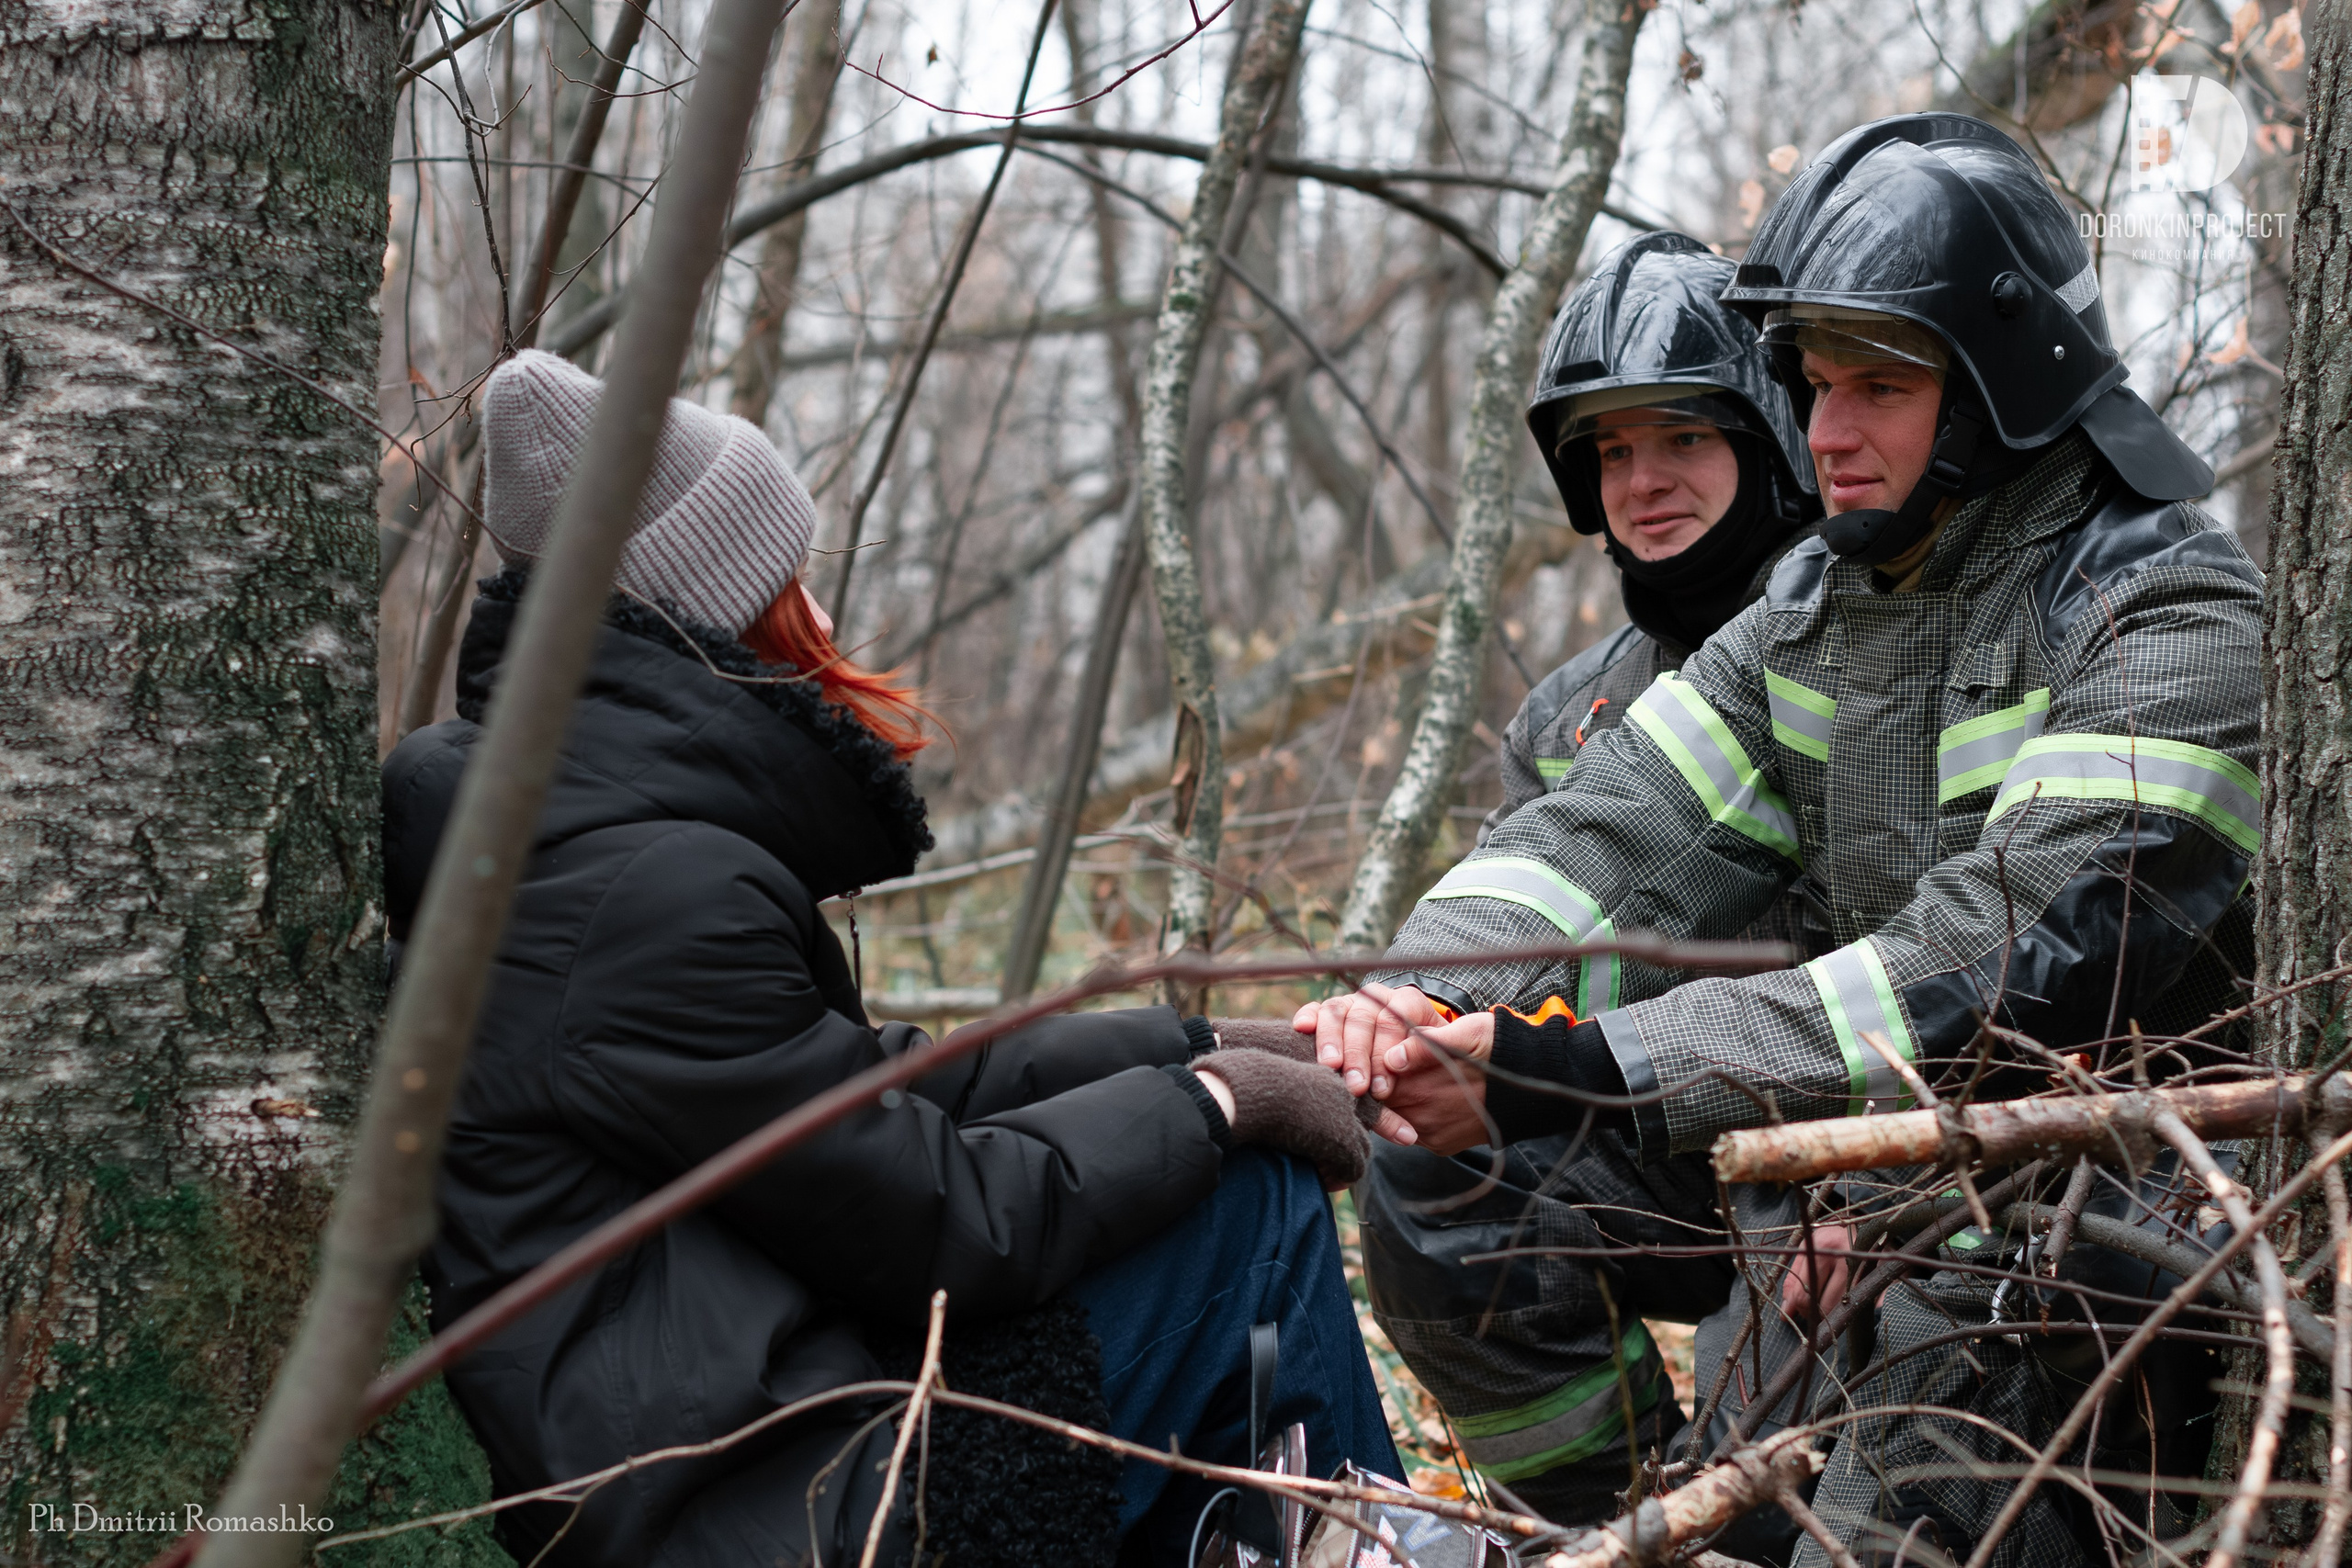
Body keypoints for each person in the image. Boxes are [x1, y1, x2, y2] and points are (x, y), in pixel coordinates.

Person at [1306, 114, 2256, 1564]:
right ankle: (1646, 1528)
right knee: (1471, 1191)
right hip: (1854, 1170)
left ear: (2002, 384)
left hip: (2074, 1218)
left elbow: (2004, 965)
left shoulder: (2167, 608)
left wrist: (1581, 1068)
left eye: (1878, 386)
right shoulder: (1818, 607)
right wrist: (1418, 994)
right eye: (1813, 386)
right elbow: (1610, 829)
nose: (1824, 436)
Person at [385, 350, 1401, 1568]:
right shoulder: (643, 894)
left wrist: (1200, 1042)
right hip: (780, 1516)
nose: (821, 617)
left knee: (1222, 1199)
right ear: (715, 616)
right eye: (787, 582)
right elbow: (943, 1222)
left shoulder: (553, 836)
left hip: (757, 1438)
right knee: (1252, 1213)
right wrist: (1218, 1104)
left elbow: (869, 1099)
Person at [1353, 230, 1839, 1549]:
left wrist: (1865, 1191)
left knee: (1773, 1502)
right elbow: (1526, 951)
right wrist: (1414, 1029)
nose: (1643, 481)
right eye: (1611, 452)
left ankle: (1717, 1517)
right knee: (1428, 1179)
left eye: (1681, 437)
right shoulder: (1574, 714)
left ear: (1770, 438)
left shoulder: (1865, 648)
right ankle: (1602, 1523)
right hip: (1641, 1130)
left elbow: (1944, 964)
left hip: (1836, 1150)